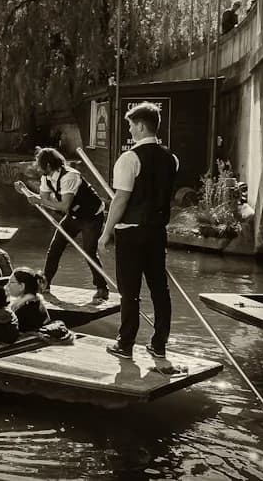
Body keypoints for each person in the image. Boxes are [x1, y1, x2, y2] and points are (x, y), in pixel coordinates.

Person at [99, 101, 178, 359]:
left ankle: (125, 343)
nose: (129, 130)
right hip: (157, 232)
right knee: (160, 289)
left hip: (131, 233)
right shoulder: (171, 159)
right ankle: (159, 344)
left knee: (129, 291)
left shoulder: (129, 158)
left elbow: (120, 199)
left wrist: (106, 231)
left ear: (141, 125)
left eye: (131, 125)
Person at [17, 147, 109, 302]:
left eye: (39, 165)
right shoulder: (46, 178)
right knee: (55, 247)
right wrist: (26, 192)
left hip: (92, 217)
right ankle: (45, 284)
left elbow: (64, 205)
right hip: (73, 216)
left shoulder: (70, 176)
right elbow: (44, 200)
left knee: (89, 252)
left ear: (47, 165)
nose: (37, 168)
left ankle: (102, 288)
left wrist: (39, 200)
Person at [6, 268, 51, 333]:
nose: (7, 285)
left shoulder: (24, 309)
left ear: (22, 286)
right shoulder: (35, 302)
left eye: (11, 282)